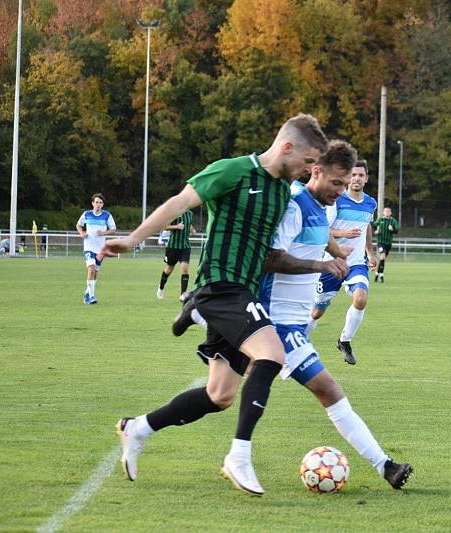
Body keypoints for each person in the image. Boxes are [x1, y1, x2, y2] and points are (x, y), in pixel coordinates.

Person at [101, 113, 333, 496]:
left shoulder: (280, 191)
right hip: (223, 287)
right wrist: (132, 239)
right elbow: (179, 203)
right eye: (308, 163)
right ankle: (238, 456)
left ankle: (137, 427)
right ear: (287, 147)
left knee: (219, 396)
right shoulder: (233, 171)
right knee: (271, 355)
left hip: (245, 293)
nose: (309, 171)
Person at [258, 140, 413, 488]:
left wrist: (341, 252)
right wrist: (322, 262)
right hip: (272, 322)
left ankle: (385, 465)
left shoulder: (316, 207)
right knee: (219, 395)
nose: (342, 191)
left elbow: (323, 235)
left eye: (347, 183)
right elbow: (271, 257)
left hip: (292, 323)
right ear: (317, 172)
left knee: (221, 394)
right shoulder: (296, 204)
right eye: (338, 184)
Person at [307, 159, 377, 365]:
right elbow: (323, 231)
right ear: (347, 178)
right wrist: (343, 233)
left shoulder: (370, 203)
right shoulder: (336, 200)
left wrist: (370, 253)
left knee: (361, 298)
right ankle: (300, 338)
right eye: (353, 175)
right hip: (330, 264)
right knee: (317, 312)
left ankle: (344, 340)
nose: (356, 179)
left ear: (366, 178)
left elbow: (367, 228)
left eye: (360, 175)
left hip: (355, 264)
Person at [76, 193, 116, 304]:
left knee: (96, 271)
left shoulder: (107, 215)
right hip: (89, 246)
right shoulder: (87, 214)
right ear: (92, 203)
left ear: (102, 204)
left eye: (100, 202)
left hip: (100, 248)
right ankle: (91, 296)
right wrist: (82, 233)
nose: (98, 204)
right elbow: (78, 225)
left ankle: (87, 293)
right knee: (92, 268)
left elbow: (113, 229)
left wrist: (103, 232)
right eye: (96, 202)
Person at [157, 209, 196, 301]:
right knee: (169, 269)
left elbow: (189, 224)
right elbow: (165, 226)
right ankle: (161, 287)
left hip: (185, 246)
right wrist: (177, 226)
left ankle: (183, 295)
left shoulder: (190, 213)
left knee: (185, 269)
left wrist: (192, 230)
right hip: (173, 247)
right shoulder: (175, 212)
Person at [372, 207, 398, 282]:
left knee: (382, 259)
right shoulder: (380, 220)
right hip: (381, 242)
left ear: (390, 213)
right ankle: (381, 275)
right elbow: (374, 225)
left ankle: (377, 273)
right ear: (383, 212)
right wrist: (376, 231)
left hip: (388, 243)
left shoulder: (393, 221)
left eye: (388, 211)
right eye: (386, 211)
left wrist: (392, 229)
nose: (387, 212)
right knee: (382, 256)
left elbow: (397, 229)